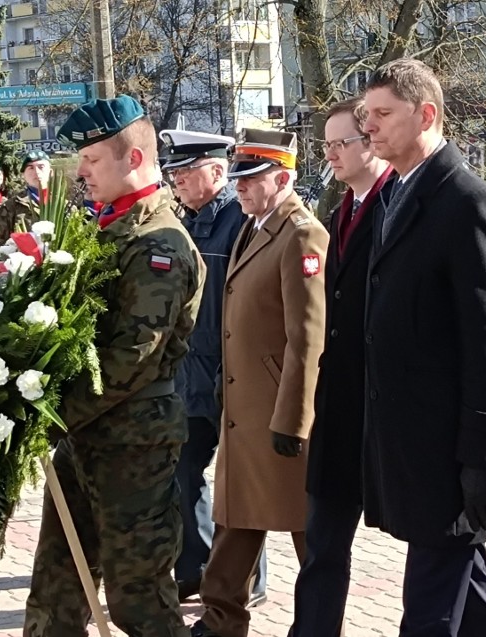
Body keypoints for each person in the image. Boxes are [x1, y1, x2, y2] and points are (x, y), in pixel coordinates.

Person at [24, 95, 205, 637]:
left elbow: (132, 356)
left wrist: (52, 411)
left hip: (133, 446)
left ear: (132, 160)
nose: (80, 172)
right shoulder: (108, 229)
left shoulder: (160, 242)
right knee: (55, 595)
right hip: (84, 437)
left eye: (92, 160)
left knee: (140, 601)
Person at [361, 58, 486, 637]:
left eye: (383, 114)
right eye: (366, 116)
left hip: (452, 451)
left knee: (428, 611)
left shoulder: (466, 201)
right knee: (475, 600)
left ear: (426, 114)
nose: (370, 128)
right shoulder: (399, 194)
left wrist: (482, 456)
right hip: (414, 445)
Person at [191, 129, 328, 637]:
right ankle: (220, 620)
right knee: (236, 520)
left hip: (277, 412)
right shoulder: (257, 224)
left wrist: (293, 419)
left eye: (253, 177)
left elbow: (306, 336)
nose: (241, 187)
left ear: (284, 178)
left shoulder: (301, 234)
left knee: (306, 532)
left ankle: (318, 621)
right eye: (240, 177)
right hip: (243, 406)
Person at [290, 97, 393, 637]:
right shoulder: (340, 211)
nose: (330, 154)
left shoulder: (396, 207)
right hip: (338, 408)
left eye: (340, 143)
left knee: (444, 552)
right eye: (324, 145)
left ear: (370, 141)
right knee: (323, 541)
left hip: (382, 408)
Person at [158, 129, 267, 607]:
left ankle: (249, 577)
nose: (176, 179)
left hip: (233, 375)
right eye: (173, 172)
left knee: (240, 483)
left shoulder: (238, 223)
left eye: (185, 170)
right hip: (190, 376)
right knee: (184, 474)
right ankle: (197, 567)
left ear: (218, 171)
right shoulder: (185, 223)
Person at [0, 149, 51, 250]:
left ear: (51, 172)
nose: (36, 172)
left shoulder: (65, 205)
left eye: (41, 167)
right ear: (23, 175)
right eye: (30, 168)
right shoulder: (11, 207)